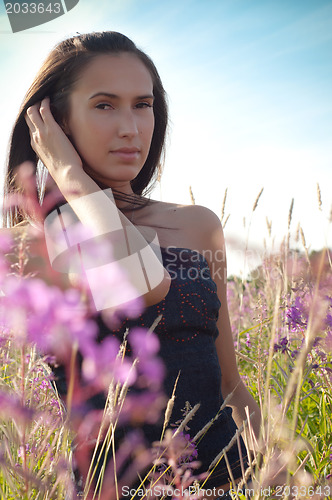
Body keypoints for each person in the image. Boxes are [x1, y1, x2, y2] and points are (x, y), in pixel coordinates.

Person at [2, 31, 261, 498]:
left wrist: (271, 479)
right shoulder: (26, 250)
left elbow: (230, 385)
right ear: (55, 122)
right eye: (104, 105)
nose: (131, 127)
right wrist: (70, 177)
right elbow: (142, 284)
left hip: (232, 484)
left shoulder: (197, 225)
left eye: (143, 105)